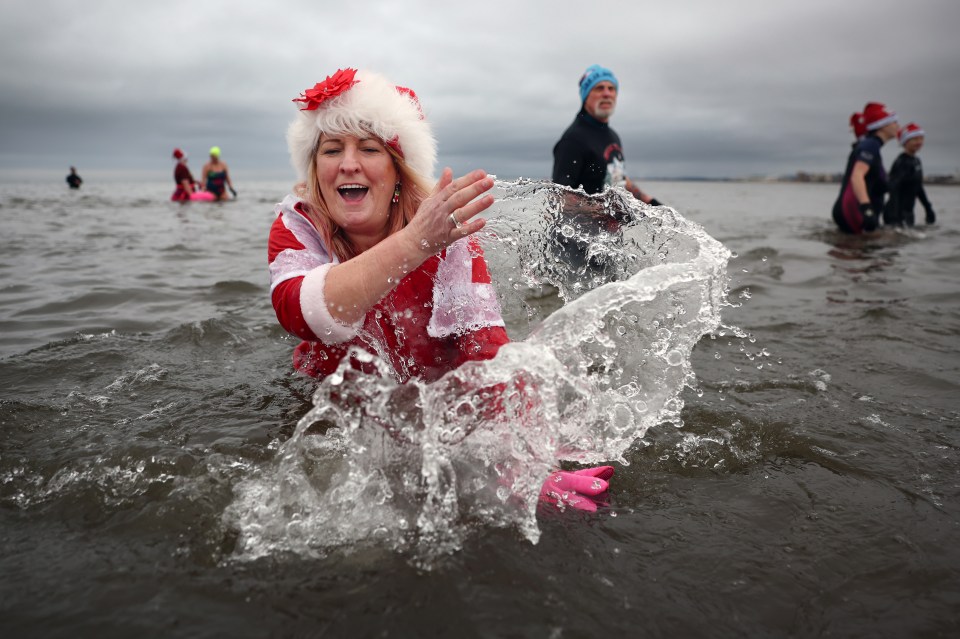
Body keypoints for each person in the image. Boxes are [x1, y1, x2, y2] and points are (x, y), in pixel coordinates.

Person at [267, 68, 613, 511]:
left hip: (427, 393)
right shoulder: (299, 223)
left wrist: (526, 468)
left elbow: (486, 354)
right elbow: (301, 313)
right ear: (316, 169)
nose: (348, 163)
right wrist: (413, 244)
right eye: (332, 149)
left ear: (398, 172)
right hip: (330, 400)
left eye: (369, 149)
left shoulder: (448, 236)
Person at [552, 64, 662, 205]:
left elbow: (618, 177)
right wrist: (603, 213)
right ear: (586, 96)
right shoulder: (572, 140)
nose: (607, 93)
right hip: (585, 226)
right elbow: (560, 198)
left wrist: (653, 204)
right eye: (599, 88)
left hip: (615, 226)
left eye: (611, 88)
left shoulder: (613, 136)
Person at [831, 102, 899, 234]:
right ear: (882, 125)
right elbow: (857, 176)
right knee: (863, 252)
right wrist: (866, 208)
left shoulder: (872, 145)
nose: (898, 126)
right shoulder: (870, 145)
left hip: (851, 210)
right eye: (894, 122)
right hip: (853, 211)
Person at [883, 122, 935, 227]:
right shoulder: (901, 162)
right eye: (915, 139)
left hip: (908, 213)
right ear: (905, 142)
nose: (919, 142)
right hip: (896, 213)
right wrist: (894, 217)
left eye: (921, 138)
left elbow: (918, 187)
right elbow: (894, 188)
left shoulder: (916, 161)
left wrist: (928, 208)